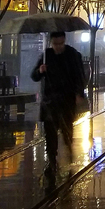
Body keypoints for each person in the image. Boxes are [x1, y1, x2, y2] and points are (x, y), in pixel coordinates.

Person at [31, 31, 86, 163]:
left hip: (66, 99)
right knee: (50, 132)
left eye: (61, 43)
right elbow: (34, 76)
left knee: (67, 128)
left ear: (64, 41)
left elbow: (79, 76)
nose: (58, 47)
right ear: (51, 42)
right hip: (50, 100)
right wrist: (40, 70)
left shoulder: (72, 55)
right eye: (55, 44)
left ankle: (68, 149)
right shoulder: (47, 55)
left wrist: (79, 93)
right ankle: (52, 158)